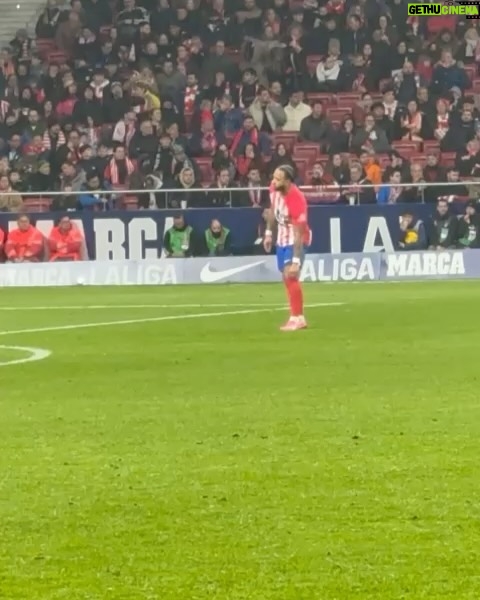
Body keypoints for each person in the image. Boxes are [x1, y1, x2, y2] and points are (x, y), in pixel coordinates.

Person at [263, 165, 311, 332]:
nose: (273, 181)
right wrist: (268, 233)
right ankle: (295, 316)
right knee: (285, 276)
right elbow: (272, 210)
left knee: (291, 274)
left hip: (296, 239)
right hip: (281, 238)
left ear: (288, 181)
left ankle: (298, 318)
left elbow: (299, 233)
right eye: (274, 177)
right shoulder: (273, 189)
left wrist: (296, 261)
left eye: (278, 179)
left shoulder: (296, 199)